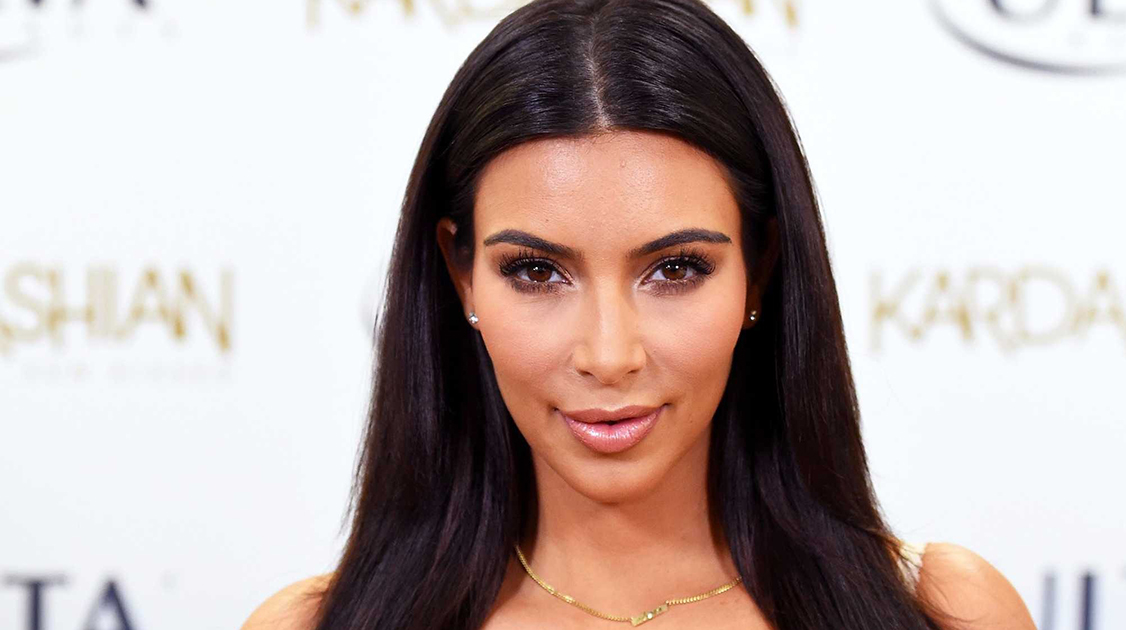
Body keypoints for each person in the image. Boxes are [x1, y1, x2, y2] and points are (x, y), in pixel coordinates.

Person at [242, 0, 1038, 628]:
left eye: (676, 269)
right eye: (536, 272)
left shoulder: (944, 613)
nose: (608, 353)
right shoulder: (313, 625)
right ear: (462, 276)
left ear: (760, 269)